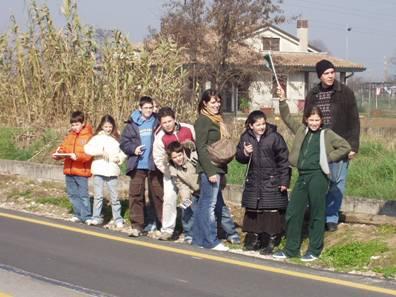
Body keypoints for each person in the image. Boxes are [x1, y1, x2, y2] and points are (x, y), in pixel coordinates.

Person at [273, 87, 351, 261]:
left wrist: (329, 157)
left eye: (317, 120)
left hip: (318, 176)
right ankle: (291, 249)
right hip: (302, 176)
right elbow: (286, 118)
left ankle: (314, 250)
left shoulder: (327, 134)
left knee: (317, 213)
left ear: (321, 120)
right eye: (311, 119)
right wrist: (282, 100)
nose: (314, 123)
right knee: (293, 212)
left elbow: (345, 146)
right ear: (306, 119)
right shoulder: (302, 131)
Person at [304, 59, 360, 232]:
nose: (330, 76)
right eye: (326, 73)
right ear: (320, 75)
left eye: (332, 72)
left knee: (337, 183)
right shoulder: (312, 94)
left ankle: (331, 217)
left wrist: (352, 146)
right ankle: (317, 215)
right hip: (317, 144)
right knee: (318, 184)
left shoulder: (345, 93)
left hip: (339, 146)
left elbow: (354, 122)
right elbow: (305, 120)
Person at [236, 110, 290, 254]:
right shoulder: (245, 137)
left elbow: (284, 161)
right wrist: (245, 152)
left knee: (271, 211)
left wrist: (284, 181)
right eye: (258, 124)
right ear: (251, 125)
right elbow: (239, 157)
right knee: (254, 210)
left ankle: (272, 240)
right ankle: (255, 239)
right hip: (254, 180)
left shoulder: (275, 137)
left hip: (272, 179)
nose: (261, 127)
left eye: (263, 123)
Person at [192, 89, 240, 251]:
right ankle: (210, 240)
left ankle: (198, 239)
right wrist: (210, 171)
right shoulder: (203, 121)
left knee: (204, 204)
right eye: (213, 102)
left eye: (218, 101)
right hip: (210, 169)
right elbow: (201, 148)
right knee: (209, 205)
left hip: (217, 168)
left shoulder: (217, 120)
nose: (217, 105)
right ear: (205, 103)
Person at [120, 96, 163, 237]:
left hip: (154, 164)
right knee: (136, 194)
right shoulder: (132, 124)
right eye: (146, 108)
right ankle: (137, 225)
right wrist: (134, 149)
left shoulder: (158, 121)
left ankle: (162, 224)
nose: (149, 110)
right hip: (138, 163)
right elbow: (124, 142)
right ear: (140, 108)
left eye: (151, 108)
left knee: (157, 195)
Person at [153, 107, 195, 240]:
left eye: (169, 121)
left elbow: (197, 146)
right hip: (171, 173)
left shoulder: (188, 128)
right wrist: (169, 172)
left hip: (189, 172)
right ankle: (167, 229)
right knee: (169, 199)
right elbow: (158, 158)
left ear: (174, 119)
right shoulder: (160, 137)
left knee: (187, 200)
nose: (167, 125)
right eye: (164, 123)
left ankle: (190, 230)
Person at [84, 115, 126, 228]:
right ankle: (96, 217)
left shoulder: (117, 138)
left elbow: (124, 151)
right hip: (99, 169)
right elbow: (87, 149)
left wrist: (120, 158)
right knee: (98, 195)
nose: (108, 129)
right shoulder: (96, 138)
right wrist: (100, 152)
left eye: (110, 127)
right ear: (102, 126)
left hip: (112, 170)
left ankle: (118, 218)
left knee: (114, 196)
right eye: (106, 126)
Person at [52, 111, 93, 223]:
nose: (74, 127)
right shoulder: (70, 136)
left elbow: (89, 155)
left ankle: (87, 216)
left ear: (83, 123)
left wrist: (78, 156)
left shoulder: (89, 137)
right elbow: (64, 148)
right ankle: (78, 214)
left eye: (77, 124)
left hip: (81, 171)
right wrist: (58, 154)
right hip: (69, 170)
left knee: (83, 195)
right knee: (72, 194)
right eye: (73, 125)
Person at [167, 140, 199, 244]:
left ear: (183, 153)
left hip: (203, 187)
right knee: (186, 209)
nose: (178, 159)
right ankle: (188, 234)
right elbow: (180, 184)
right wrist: (185, 197)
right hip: (189, 190)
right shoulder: (173, 169)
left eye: (179, 155)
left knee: (204, 211)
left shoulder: (192, 158)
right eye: (174, 157)